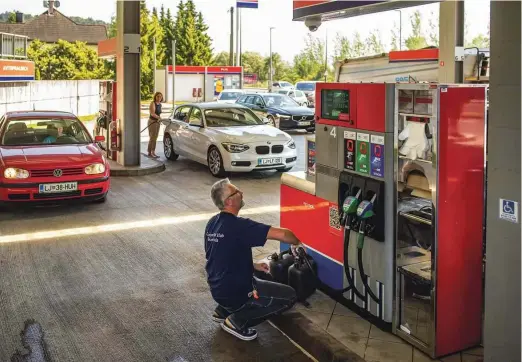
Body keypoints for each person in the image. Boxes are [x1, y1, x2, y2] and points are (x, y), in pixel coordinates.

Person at [205, 178, 305, 341]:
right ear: (229, 201)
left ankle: (224, 309)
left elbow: (220, 256)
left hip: (217, 289)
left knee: (260, 276)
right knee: (289, 296)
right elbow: (283, 234)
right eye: (237, 191)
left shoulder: (212, 223)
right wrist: (298, 242)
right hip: (236, 292)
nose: (242, 193)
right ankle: (238, 321)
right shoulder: (239, 226)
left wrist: (253, 266)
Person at [148, 92, 163, 158]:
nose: (159, 98)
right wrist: (159, 117)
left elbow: (158, 113)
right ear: (155, 97)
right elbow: (152, 113)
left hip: (157, 122)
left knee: (155, 137)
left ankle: (152, 151)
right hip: (152, 122)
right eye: (158, 96)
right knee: (152, 137)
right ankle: (150, 152)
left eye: (160, 96)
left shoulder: (160, 104)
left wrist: (159, 119)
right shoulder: (153, 103)